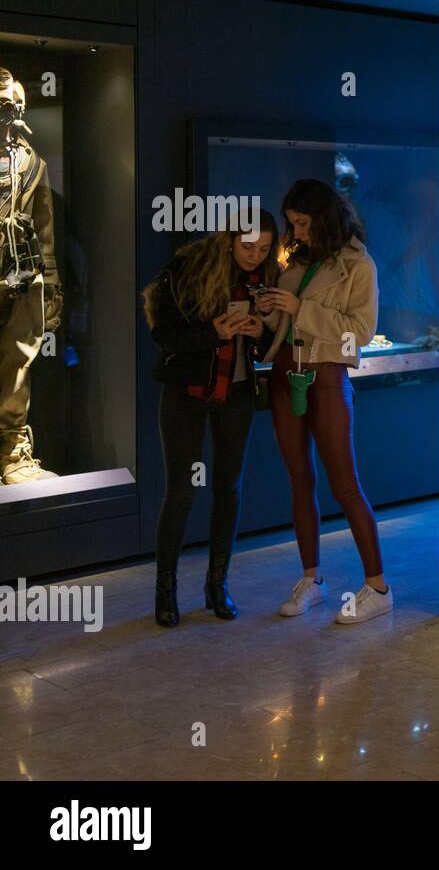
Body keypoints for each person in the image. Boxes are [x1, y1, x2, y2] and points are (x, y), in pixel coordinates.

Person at [257, 179, 390, 625]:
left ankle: (378, 587)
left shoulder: (359, 263)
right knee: (299, 479)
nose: (295, 233)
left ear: (324, 218)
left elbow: (362, 331)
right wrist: (265, 311)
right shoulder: (293, 259)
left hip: (327, 377)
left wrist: (299, 308)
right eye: (291, 224)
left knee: (345, 485)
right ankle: (311, 580)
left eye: (302, 223)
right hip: (284, 374)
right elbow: (283, 321)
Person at [142, 210, 280, 627]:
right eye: (247, 246)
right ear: (229, 238)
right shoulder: (189, 266)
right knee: (181, 491)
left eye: (264, 249)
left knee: (228, 488)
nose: (255, 256)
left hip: (236, 392)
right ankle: (165, 592)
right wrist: (212, 334)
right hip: (187, 391)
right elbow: (162, 334)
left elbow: (277, 343)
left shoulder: (268, 278)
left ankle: (217, 585)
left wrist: (262, 335)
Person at [0, 66, 61, 485]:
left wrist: (50, 282)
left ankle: (11, 453)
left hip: (21, 273)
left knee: (17, 364)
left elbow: (45, 226)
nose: (10, 111)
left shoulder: (31, 161)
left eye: (13, 104)